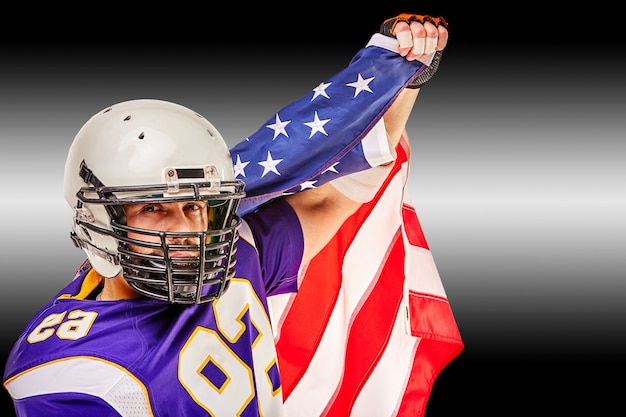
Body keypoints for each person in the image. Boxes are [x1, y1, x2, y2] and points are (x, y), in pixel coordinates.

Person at [3, 13, 458, 417]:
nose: (185, 229)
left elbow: (337, 194)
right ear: (98, 220)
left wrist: (402, 76)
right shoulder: (66, 373)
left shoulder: (234, 252)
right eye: (153, 208)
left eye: (195, 204)